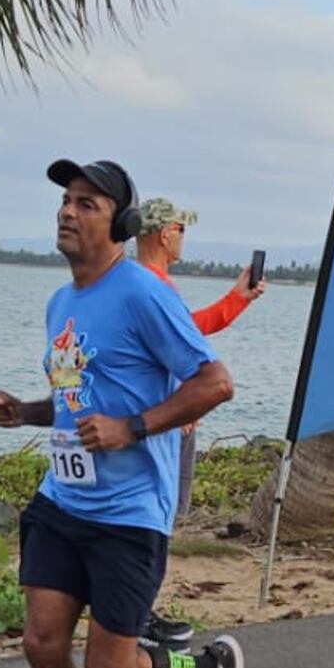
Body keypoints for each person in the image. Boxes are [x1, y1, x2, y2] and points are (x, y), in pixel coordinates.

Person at [0, 159, 250, 668]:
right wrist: (28, 412)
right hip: (62, 504)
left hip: (128, 516)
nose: (68, 212)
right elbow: (83, 402)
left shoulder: (142, 293)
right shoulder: (61, 302)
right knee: (43, 646)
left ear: (123, 223)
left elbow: (214, 383)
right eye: (65, 201)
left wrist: (132, 428)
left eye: (88, 204)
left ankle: (208, 665)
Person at [130, 195, 265, 600]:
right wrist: (182, 407)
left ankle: (142, 603)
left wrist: (237, 299)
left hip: (159, 419)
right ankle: (142, 606)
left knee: (160, 517)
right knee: (159, 517)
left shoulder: (143, 285)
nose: (184, 239)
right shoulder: (152, 288)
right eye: (182, 230)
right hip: (163, 424)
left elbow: (188, 332)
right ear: (166, 233)